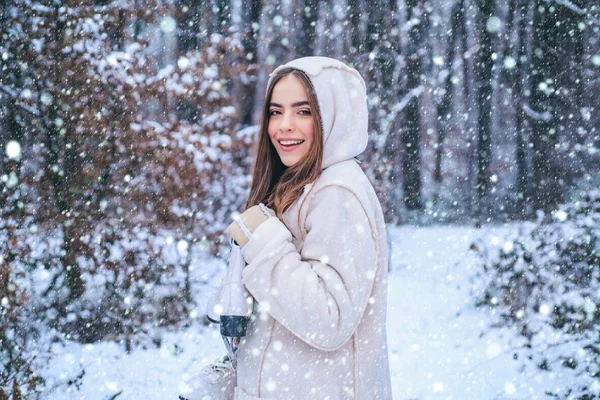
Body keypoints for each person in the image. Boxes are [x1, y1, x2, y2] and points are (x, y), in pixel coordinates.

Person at [224, 56, 391, 399]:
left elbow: (329, 318)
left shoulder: (337, 193)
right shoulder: (298, 186)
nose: (284, 125)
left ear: (332, 116)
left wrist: (264, 242)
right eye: (275, 111)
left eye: (303, 111)